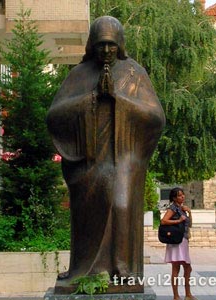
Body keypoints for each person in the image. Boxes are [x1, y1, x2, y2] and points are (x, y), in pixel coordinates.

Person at [46, 16, 165, 284]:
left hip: (124, 158)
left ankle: (121, 269)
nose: (107, 51)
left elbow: (156, 117)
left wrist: (117, 100)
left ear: (120, 44)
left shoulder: (136, 73)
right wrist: (92, 99)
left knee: (118, 199)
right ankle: (83, 269)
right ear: (92, 45)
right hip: (87, 161)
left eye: (111, 45)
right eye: (101, 45)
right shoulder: (78, 74)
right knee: (88, 212)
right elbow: (54, 116)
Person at [161, 187, 197, 300]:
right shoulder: (172, 208)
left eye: (183, 195)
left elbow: (189, 224)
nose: (182, 197)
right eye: (180, 195)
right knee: (177, 267)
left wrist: (189, 212)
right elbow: (164, 220)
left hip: (184, 239)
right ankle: (177, 295)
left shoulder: (182, 209)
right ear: (174, 198)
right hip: (177, 241)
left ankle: (187, 294)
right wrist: (178, 220)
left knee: (187, 268)